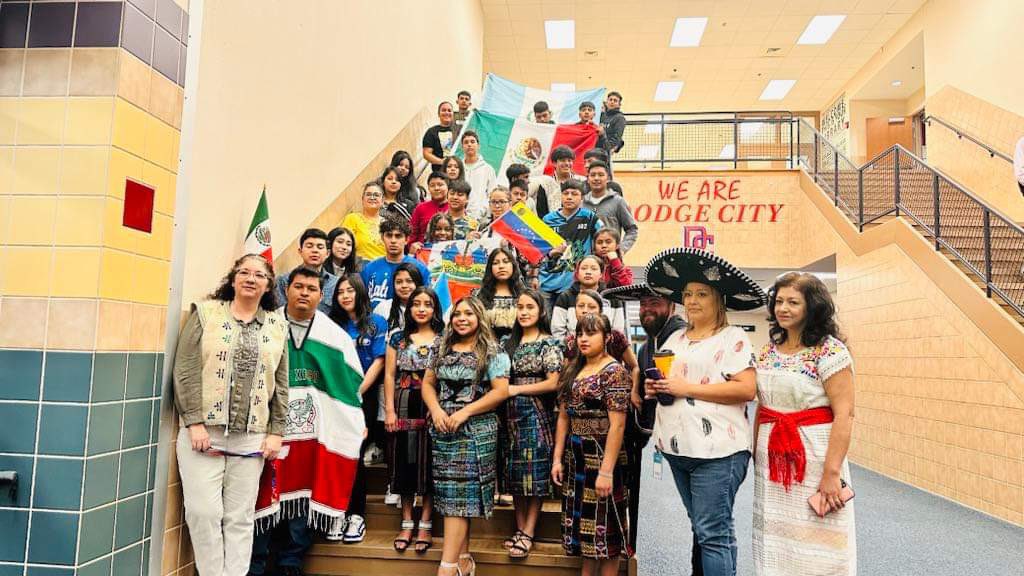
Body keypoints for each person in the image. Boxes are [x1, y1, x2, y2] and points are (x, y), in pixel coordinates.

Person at [643, 247, 766, 576]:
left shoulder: (733, 338)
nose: (692, 300)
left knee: (713, 534)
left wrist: (687, 389)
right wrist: (655, 389)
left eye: (701, 294)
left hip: (719, 453)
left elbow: (746, 389)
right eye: (687, 294)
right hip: (677, 449)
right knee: (705, 529)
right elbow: (671, 385)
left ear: (718, 300)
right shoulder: (677, 339)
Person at [173, 255, 288, 576]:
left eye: (259, 275)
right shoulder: (206, 314)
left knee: (239, 517)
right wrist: (194, 422)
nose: (251, 279)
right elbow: (185, 370)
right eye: (244, 273)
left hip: (253, 435)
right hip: (203, 432)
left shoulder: (278, 326)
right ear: (233, 279)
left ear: (268, 285)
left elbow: (281, 382)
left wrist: (276, 431)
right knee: (203, 511)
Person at [250, 268, 365, 575]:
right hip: (268, 432)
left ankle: (290, 565)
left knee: (304, 495)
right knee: (261, 498)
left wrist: (354, 420)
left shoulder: (335, 337)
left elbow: (348, 388)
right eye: (298, 286)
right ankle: (256, 566)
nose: (304, 292)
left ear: (319, 294)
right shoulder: (265, 326)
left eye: (311, 288)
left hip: (313, 436)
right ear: (287, 290)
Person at [753, 272, 856, 575]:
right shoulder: (768, 351)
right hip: (771, 460)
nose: (783, 308)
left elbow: (845, 414)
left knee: (819, 536)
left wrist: (831, 473)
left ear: (813, 307)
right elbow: (762, 405)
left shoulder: (830, 350)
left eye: (793, 302)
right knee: (774, 539)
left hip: (815, 454)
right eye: (779, 301)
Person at [422, 297, 511, 576]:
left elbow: (500, 392)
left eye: (468, 313)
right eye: (457, 314)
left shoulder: (493, 350)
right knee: (453, 496)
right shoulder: (441, 346)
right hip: (443, 429)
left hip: (476, 431)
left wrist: (465, 413)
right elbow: (427, 383)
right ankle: (462, 560)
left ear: (479, 317)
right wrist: (435, 409)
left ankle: (446, 569)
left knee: (461, 498)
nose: (461, 318)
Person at [602, 283, 689, 562]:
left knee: (684, 519)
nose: (647, 310)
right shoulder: (649, 343)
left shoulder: (680, 335)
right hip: (651, 436)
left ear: (672, 306)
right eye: (642, 305)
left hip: (681, 438)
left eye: (654, 303)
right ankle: (641, 552)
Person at [552, 313, 632, 573]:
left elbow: (618, 424)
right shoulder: (573, 368)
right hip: (575, 455)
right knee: (586, 534)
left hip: (602, 452)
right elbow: (564, 416)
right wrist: (557, 458)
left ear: (607, 337)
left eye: (591, 333)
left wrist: (606, 471)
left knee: (605, 530)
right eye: (581, 334)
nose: (584, 339)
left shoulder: (615, 372)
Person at [500, 289, 563, 559]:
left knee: (534, 475)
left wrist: (516, 390)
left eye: (530, 307)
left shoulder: (548, 343)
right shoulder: (507, 342)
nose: (524, 312)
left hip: (535, 413)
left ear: (541, 312)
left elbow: (553, 382)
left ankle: (528, 532)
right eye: (520, 307)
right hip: (508, 415)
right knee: (515, 474)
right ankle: (518, 528)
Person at [328, 274, 389, 544]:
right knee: (334, 452)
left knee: (355, 454)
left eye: (350, 290)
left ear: (361, 292)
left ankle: (356, 514)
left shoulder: (375, 322)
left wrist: (357, 391)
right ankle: (336, 511)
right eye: (340, 291)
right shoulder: (331, 324)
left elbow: (378, 361)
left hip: (362, 396)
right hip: (334, 396)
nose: (345, 295)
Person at [384, 286, 444, 554]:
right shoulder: (398, 338)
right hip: (404, 403)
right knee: (405, 462)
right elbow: (388, 375)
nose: (421, 308)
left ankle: (426, 523)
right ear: (409, 309)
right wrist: (389, 411)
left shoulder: (444, 338)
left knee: (430, 463)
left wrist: (439, 406)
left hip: (433, 404)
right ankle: (407, 521)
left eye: (427, 304)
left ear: (435, 309)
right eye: (416, 304)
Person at [539, 180, 602, 308]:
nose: (569, 197)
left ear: (582, 198)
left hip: (573, 284)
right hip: (548, 282)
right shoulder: (548, 220)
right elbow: (540, 252)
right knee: (547, 325)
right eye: (565, 193)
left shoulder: (590, 218)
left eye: (574, 194)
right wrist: (552, 253)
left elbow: (604, 238)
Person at [361, 216, 431, 309]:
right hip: (374, 322)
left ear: (407, 239)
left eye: (398, 236)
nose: (393, 241)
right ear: (382, 238)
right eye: (389, 235)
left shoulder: (420, 269)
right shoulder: (369, 268)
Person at [275, 228, 337, 314]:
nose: (315, 250)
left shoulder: (336, 283)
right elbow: (280, 314)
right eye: (309, 246)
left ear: (327, 253)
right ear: (300, 251)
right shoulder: (283, 280)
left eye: (320, 247)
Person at [583, 161, 638, 254]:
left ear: (608, 178)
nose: (596, 178)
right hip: (587, 261)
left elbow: (632, 229)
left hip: (610, 261)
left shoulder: (618, 202)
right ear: (588, 179)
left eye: (601, 175)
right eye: (593, 175)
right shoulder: (581, 204)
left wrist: (622, 249)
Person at [474, 246, 526, 341]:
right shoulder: (479, 295)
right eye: (495, 263)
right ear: (490, 268)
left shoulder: (525, 295)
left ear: (513, 265)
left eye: (506, 261)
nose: (501, 266)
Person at [552, 257, 610, 339]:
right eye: (584, 268)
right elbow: (557, 331)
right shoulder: (565, 297)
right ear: (577, 273)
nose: (588, 272)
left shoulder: (610, 296)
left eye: (593, 269)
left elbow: (617, 329)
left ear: (601, 274)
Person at [374, 262, 425, 334]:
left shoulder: (426, 310)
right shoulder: (383, 308)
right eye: (399, 282)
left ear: (418, 283)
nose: (404, 285)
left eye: (409, 281)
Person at [342, 181, 386, 261]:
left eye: (376, 195)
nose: (372, 197)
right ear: (362, 200)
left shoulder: (387, 224)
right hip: (359, 267)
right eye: (368, 194)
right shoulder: (352, 219)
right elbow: (344, 245)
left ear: (382, 201)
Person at [460, 130, 497, 220]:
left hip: (480, 217)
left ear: (478, 145)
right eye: (466, 142)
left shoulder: (488, 169)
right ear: (462, 147)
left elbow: (492, 194)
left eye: (472, 142)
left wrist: (483, 210)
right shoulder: (458, 167)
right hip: (459, 214)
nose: (469, 144)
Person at [409, 172, 450, 248]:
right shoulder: (420, 208)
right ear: (428, 188)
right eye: (432, 185)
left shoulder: (454, 208)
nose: (436, 188)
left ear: (448, 187)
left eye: (440, 185)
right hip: (423, 252)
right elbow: (412, 233)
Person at [423, 101, 456, 172]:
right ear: (438, 114)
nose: (447, 112)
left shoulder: (459, 130)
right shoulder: (431, 132)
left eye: (449, 110)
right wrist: (442, 162)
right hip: (439, 174)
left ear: (453, 114)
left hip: (457, 173)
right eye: (443, 110)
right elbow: (426, 153)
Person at [600, 92, 626, 162]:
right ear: (607, 102)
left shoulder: (620, 118)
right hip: (596, 150)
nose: (612, 102)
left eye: (615, 100)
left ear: (619, 105)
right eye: (610, 100)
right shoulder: (601, 116)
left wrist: (609, 149)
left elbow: (617, 137)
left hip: (605, 153)